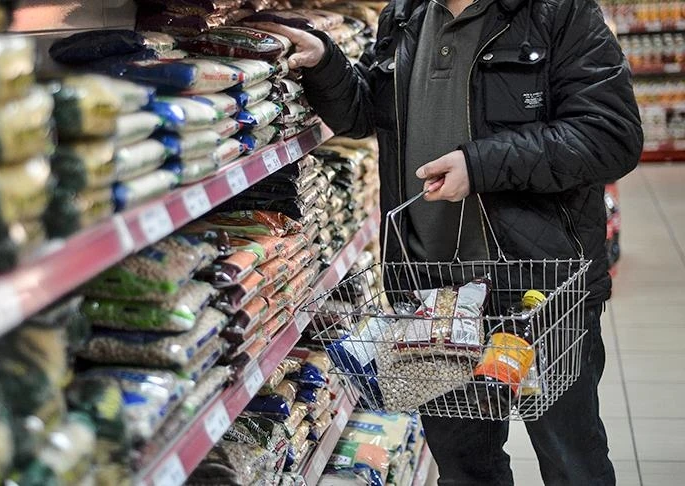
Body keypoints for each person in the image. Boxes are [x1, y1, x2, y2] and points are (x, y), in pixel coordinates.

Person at [253, 0, 643, 484]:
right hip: (434, 295)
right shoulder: (403, 14)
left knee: (570, 459)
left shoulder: (558, 12)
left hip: (536, 292)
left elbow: (610, 135)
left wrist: (480, 165)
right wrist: (325, 59)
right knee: (462, 467)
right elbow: (368, 115)